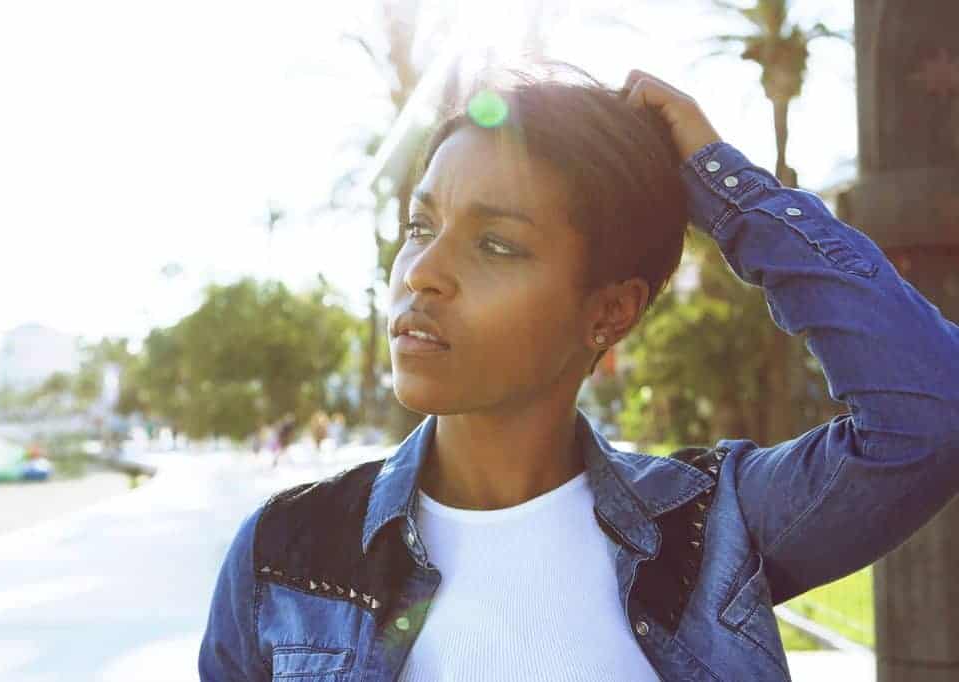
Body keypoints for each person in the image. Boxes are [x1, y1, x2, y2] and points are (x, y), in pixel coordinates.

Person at [199, 61, 959, 681]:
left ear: (611, 312)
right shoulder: (287, 553)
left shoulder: (713, 529)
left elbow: (929, 415)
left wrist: (726, 187)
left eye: (496, 244)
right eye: (421, 227)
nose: (422, 273)